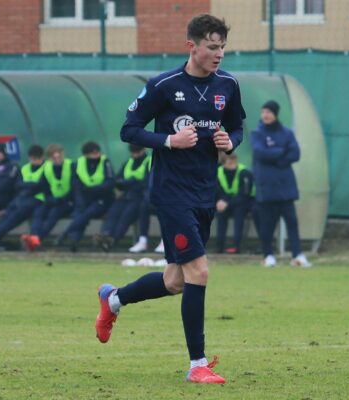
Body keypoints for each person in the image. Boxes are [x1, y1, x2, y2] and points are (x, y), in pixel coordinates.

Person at [95, 14, 245, 384]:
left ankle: (113, 299)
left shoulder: (228, 84)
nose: (219, 54)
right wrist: (168, 141)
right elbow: (129, 130)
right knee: (200, 272)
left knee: (176, 280)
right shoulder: (163, 85)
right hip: (170, 193)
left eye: (223, 46)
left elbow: (238, 125)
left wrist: (231, 142)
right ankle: (198, 365)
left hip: (204, 191)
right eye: (212, 46)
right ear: (191, 47)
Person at [251, 100, 312, 268]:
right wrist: (281, 151)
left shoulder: (287, 133)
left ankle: (297, 256)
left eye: (269, 112)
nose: (265, 115)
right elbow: (260, 152)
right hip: (266, 187)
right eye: (263, 112)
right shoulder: (256, 133)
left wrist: (276, 155)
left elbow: (295, 153)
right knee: (267, 225)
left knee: (292, 222)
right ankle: (268, 255)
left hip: (286, 187)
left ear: (275, 114)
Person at [57, 141, 114, 252]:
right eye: (93, 153)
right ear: (86, 155)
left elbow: (110, 182)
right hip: (85, 199)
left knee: (87, 213)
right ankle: (74, 241)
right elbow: (75, 184)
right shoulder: (78, 163)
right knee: (81, 212)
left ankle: (65, 234)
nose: (97, 155)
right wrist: (82, 199)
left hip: (102, 199)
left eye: (98, 152)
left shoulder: (105, 162)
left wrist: (95, 189)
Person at [0, 144, 45, 247]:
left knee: (19, 214)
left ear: (42, 157)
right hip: (23, 198)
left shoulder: (46, 168)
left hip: (39, 199)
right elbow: (18, 185)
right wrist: (30, 186)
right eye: (33, 159)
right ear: (29, 158)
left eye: (37, 159)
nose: (35, 161)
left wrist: (27, 186)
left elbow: (41, 186)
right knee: (9, 211)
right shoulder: (25, 168)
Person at [94, 144, 150, 252]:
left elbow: (146, 182)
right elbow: (117, 180)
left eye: (137, 151)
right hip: (125, 196)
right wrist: (132, 182)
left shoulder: (149, 161)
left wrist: (127, 183)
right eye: (133, 152)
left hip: (139, 197)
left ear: (144, 149)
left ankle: (112, 240)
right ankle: (105, 235)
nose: (135, 154)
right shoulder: (128, 163)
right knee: (113, 212)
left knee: (126, 216)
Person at [21, 144, 75, 252]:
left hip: (69, 201)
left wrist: (63, 199)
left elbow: (75, 187)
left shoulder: (71, 166)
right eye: (54, 158)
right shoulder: (47, 168)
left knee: (54, 214)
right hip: (54, 200)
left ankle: (37, 239)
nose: (57, 159)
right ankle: (33, 236)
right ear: (49, 158)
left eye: (59, 156)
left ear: (63, 154)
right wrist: (50, 199)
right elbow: (44, 187)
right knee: (39, 211)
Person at [215, 153, 253, 254]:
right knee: (221, 213)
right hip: (223, 203)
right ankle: (219, 247)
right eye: (229, 161)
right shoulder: (217, 172)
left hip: (240, 203)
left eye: (233, 160)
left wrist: (227, 203)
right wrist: (220, 202)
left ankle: (236, 246)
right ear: (223, 163)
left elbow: (244, 195)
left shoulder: (244, 173)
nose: (232, 163)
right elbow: (216, 191)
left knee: (239, 213)